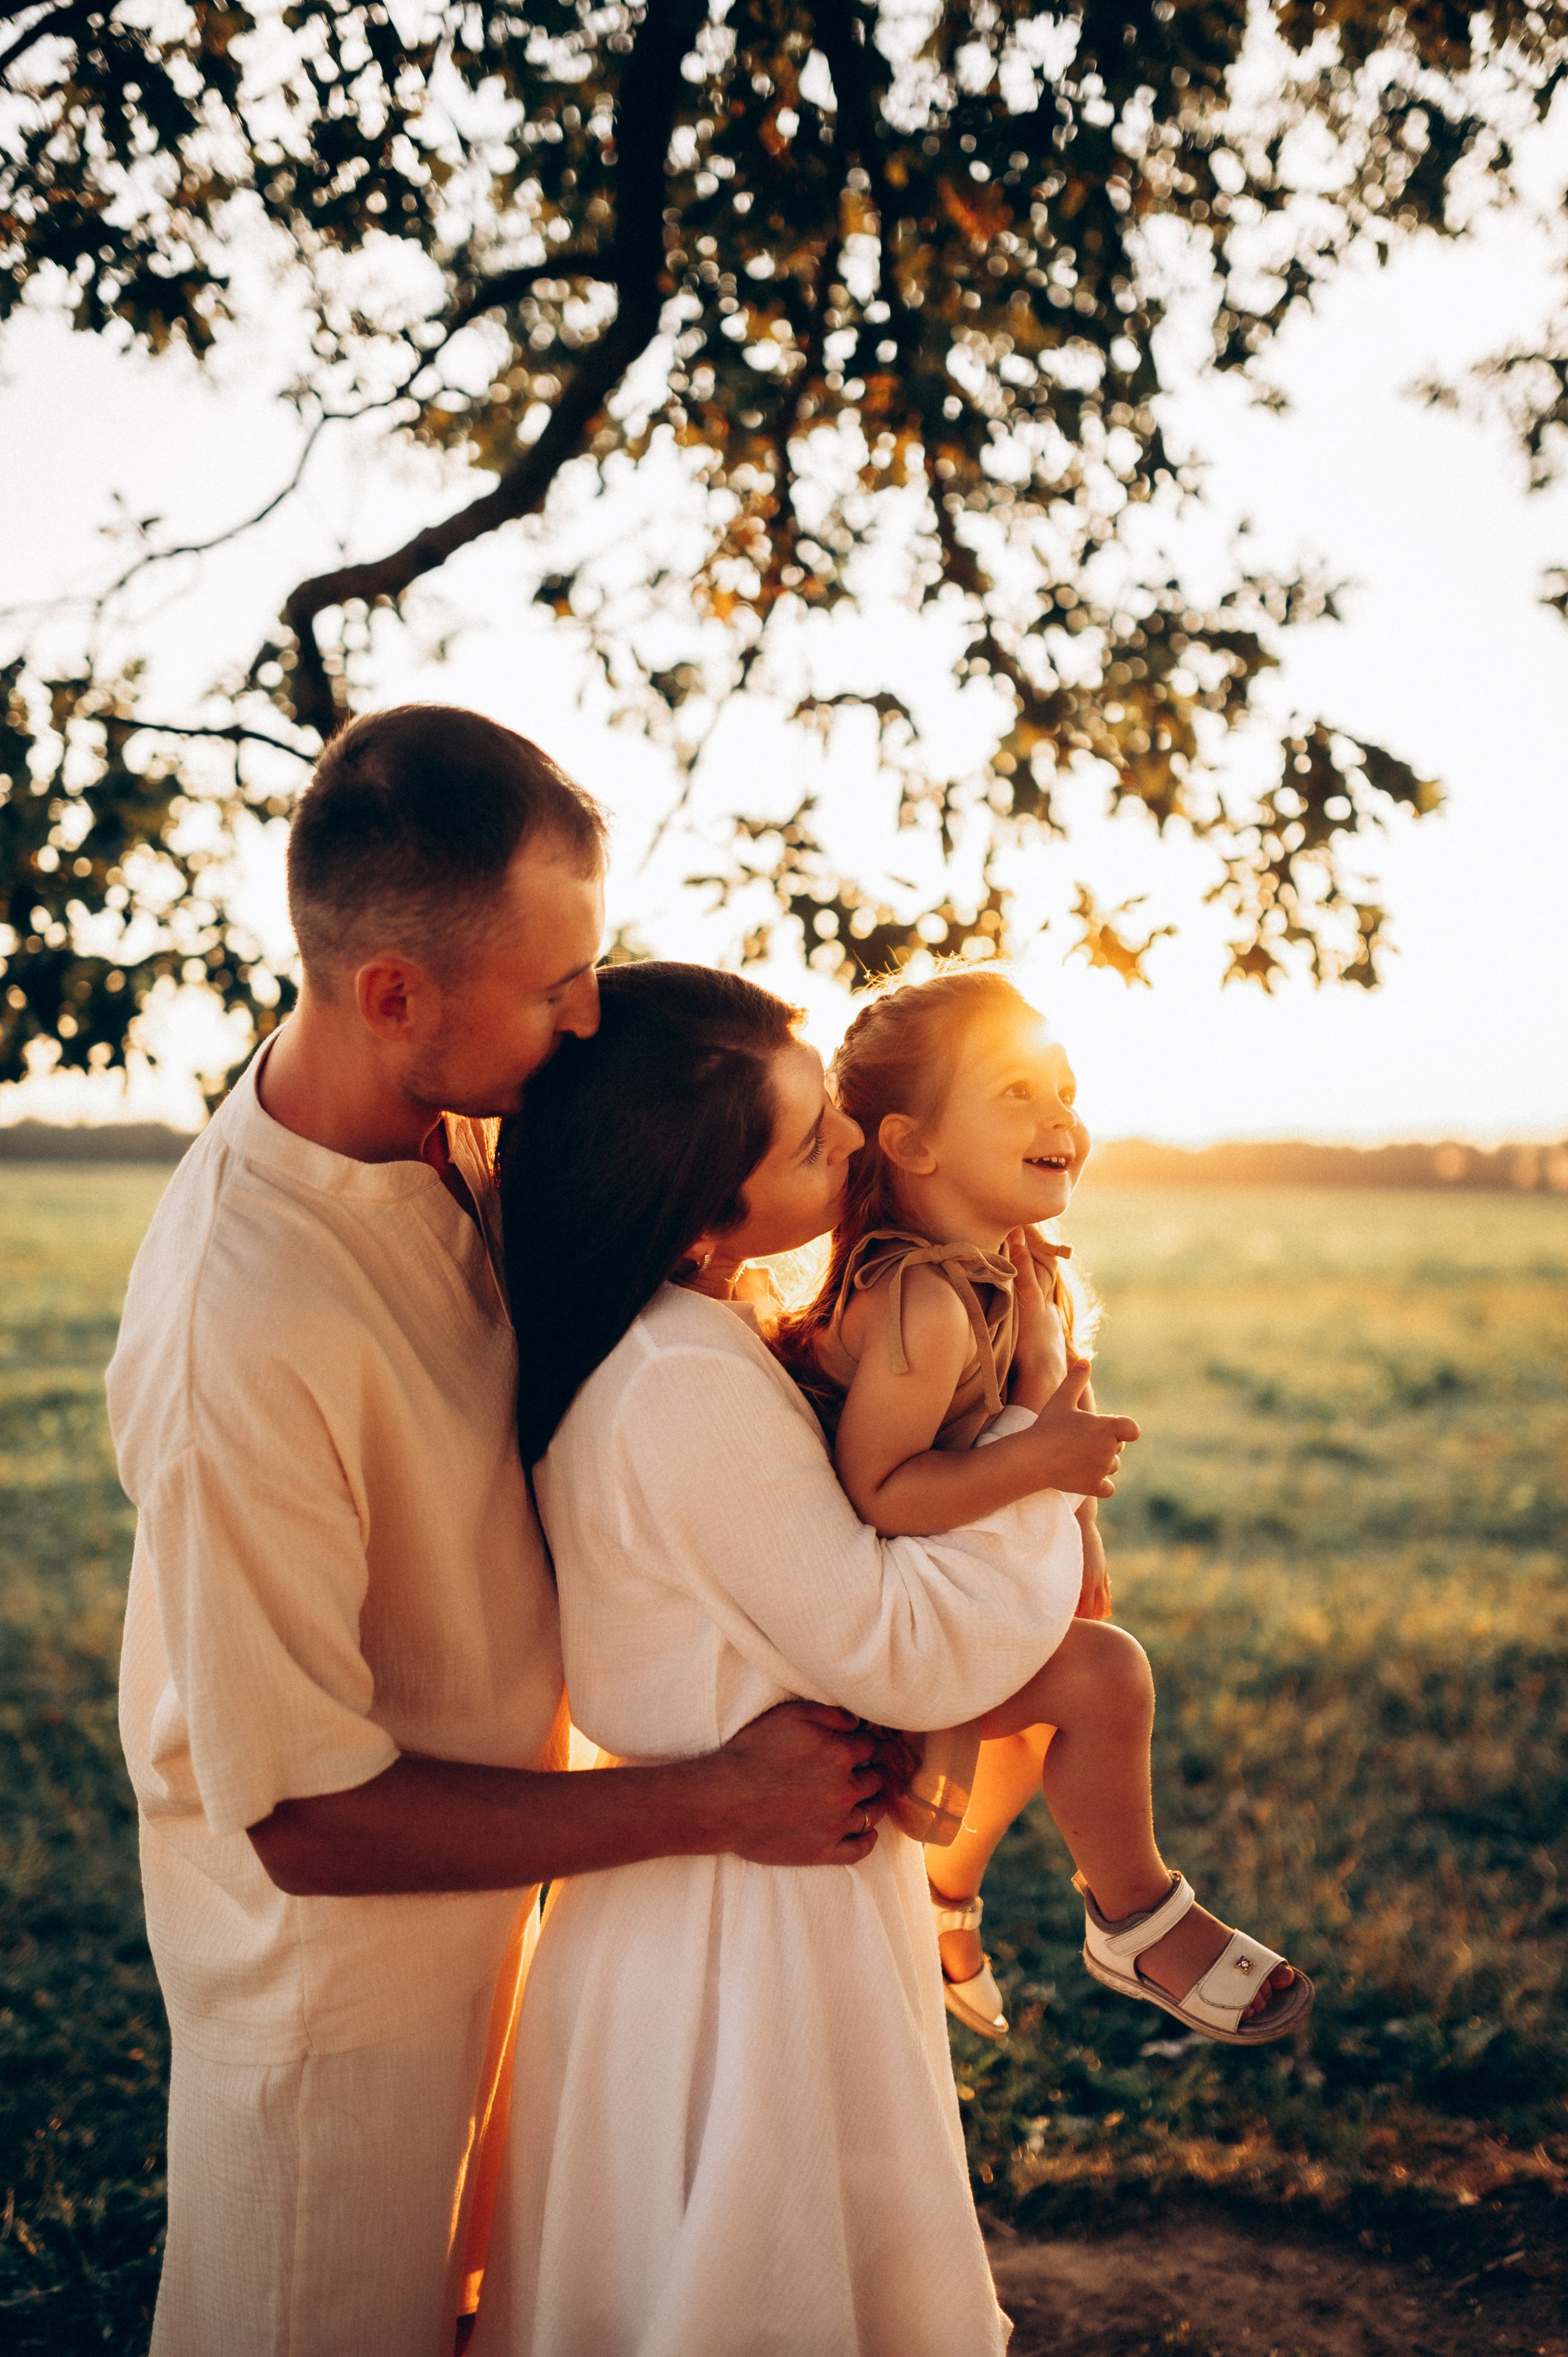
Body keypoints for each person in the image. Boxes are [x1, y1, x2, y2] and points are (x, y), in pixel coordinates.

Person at [108, 708, 895, 2357]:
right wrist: (708, 1802)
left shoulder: (467, 1143)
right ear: (395, 993)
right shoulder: (241, 1321)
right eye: (556, 989)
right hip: (336, 2027)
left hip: (511, 1931)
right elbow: (302, 1819)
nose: (587, 1017)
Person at [472, 962, 1137, 2357]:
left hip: (744, 1879)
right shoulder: (679, 1377)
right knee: (758, 2280)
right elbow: (889, 1648)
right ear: (706, 1201)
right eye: (811, 1142)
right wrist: (1030, 1454)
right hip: (737, 1923)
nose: (849, 1144)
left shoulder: (690, 1338)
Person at [778, 964, 1314, 2049]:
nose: (1060, 1113)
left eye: (1065, 1087)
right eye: (1016, 1090)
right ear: (912, 1143)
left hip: (964, 1580)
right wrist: (1048, 1465)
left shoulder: (1019, 1268)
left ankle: (942, 1900)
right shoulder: (919, 1299)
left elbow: (1048, 1420)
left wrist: (1079, 1528)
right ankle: (1133, 1916)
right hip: (861, 1630)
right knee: (1106, 1677)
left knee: (1055, 1690)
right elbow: (876, 1495)